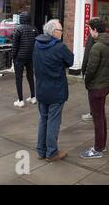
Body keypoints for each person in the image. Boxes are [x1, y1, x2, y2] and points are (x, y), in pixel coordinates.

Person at [33, 19, 74, 162]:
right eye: (60, 30)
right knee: (53, 121)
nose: (62, 33)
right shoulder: (59, 47)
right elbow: (70, 61)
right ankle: (51, 152)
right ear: (53, 32)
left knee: (43, 119)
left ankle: (40, 150)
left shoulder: (37, 44)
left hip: (41, 89)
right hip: (56, 89)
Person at [80, 18, 109, 159]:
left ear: (94, 30)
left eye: (89, 29)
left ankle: (98, 148)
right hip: (105, 84)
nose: (89, 32)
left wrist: (86, 81)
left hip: (96, 87)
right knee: (101, 116)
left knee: (98, 119)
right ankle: (102, 145)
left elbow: (91, 69)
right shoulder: (108, 43)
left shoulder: (97, 47)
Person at [11, 12, 38, 107]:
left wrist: (13, 57)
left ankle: (20, 100)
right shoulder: (34, 28)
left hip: (19, 57)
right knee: (30, 76)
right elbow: (37, 43)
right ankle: (33, 97)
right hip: (30, 57)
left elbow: (15, 46)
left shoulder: (18, 29)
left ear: (21, 19)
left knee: (18, 78)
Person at [80, 33, 95, 121]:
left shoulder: (92, 37)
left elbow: (87, 54)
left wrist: (83, 70)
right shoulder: (107, 40)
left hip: (93, 70)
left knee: (92, 93)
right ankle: (96, 112)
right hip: (104, 75)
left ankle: (93, 112)